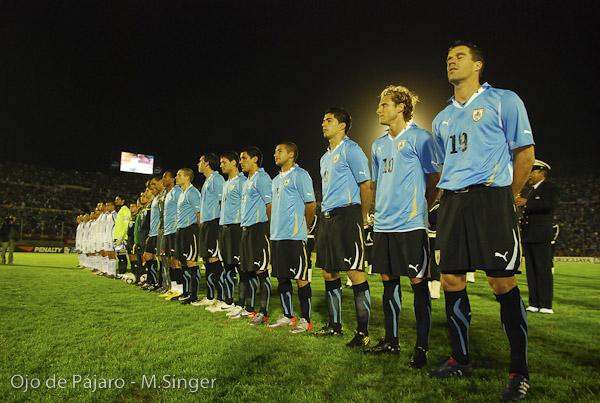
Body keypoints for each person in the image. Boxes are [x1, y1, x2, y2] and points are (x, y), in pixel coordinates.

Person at [427, 41, 535, 402]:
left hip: (492, 198)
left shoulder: (504, 100)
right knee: (451, 278)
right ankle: (460, 358)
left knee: (501, 282)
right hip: (454, 202)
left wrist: (506, 198)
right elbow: (442, 166)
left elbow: (525, 154)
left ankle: (519, 370)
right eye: (447, 59)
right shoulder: (440, 118)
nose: (451, 62)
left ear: (478, 65)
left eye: (459, 56)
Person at [367, 85, 440, 368]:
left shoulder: (420, 138)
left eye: (384, 104)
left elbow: (434, 179)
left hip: (410, 225)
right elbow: (376, 184)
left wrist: (420, 207)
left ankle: (421, 348)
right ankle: (391, 340)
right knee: (388, 282)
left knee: (418, 284)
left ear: (401, 107)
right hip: (383, 225)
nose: (378, 109)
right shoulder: (377, 145)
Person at [315, 107, 373, 348]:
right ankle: (334, 325)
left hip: (348, 214)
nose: (323, 124)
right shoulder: (324, 157)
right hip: (327, 217)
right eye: (323, 120)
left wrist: (361, 216)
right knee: (329, 272)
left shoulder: (352, 149)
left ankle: (363, 332)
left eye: (328, 120)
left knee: (354, 271)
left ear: (342, 125)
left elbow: (366, 185)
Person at [267, 142, 317, 333]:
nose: (275, 154)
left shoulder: (301, 175)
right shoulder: (275, 180)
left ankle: (306, 319)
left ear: (291, 154)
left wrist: (303, 226)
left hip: (295, 236)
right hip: (277, 236)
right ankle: (288, 316)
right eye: (275, 151)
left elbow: (310, 204)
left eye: (279, 151)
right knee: (282, 277)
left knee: (301, 277)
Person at [230, 146, 272, 324]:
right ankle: (249, 309)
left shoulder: (262, 178)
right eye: (240, 158)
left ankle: (264, 312)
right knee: (246, 270)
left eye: (244, 158)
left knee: (261, 270)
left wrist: (269, 229)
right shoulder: (247, 181)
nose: (241, 161)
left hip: (258, 228)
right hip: (246, 229)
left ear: (255, 159)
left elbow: (270, 205)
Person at [515, 160, 559, 314]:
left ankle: (546, 304)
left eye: (532, 171)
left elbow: (549, 205)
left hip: (541, 235)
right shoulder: (531, 191)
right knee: (532, 271)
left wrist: (527, 203)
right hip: (529, 235)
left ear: (542, 172)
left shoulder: (550, 188)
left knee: (543, 270)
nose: (529, 175)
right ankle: (534, 302)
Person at [216, 152, 247, 314]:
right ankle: (229, 301)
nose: (221, 165)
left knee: (240, 267)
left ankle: (242, 304)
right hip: (224, 228)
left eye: (224, 162)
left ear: (233, 163)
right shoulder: (226, 183)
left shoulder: (242, 181)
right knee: (227, 266)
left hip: (237, 227)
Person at [195, 153, 227, 311]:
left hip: (215, 222)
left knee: (215, 260)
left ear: (207, 163)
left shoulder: (217, 179)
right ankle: (210, 296)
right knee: (207, 260)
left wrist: (219, 225)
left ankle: (221, 298)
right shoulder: (207, 181)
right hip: (207, 224)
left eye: (200, 161)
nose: (198, 163)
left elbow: (223, 201)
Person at [175, 168, 202, 304]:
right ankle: (186, 292)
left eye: (179, 175)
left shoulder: (193, 193)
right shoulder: (181, 193)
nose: (176, 177)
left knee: (191, 262)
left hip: (190, 230)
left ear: (187, 177)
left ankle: (194, 295)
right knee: (183, 262)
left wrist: (199, 232)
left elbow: (199, 213)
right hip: (180, 230)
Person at [159, 170, 184, 300]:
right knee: (169, 261)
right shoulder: (166, 194)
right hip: (167, 231)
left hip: (174, 230)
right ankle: (173, 289)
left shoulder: (177, 191)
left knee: (176, 261)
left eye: (165, 177)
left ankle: (180, 289)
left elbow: (181, 209)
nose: (163, 179)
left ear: (172, 179)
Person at [113, 195, 131, 275]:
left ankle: (122, 273)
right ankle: (121, 272)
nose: (116, 201)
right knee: (119, 256)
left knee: (122, 256)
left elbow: (126, 224)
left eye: (117, 199)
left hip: (122, 238)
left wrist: (122, 237)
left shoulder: (125, 210)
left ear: (123, 201)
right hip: (118, 237)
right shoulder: (120, 210)